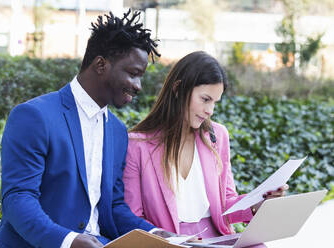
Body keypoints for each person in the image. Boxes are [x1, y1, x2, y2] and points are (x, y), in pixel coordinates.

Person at [0, 9, 171, 248]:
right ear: (100, 64)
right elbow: (18, 199)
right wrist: (68, 241)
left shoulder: (117, 132)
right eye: (133, 74)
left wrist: (155, 234)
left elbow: (114, 207)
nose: (138, 86)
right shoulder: (34, 116)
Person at [123, 51, 288, 247]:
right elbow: (133, 219)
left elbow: (225, 203)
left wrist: (256, 205)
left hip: (217, 239)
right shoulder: (137, 146)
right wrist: (172, 239)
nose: (210, 111)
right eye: (205, 99)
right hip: (170, 242)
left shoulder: (217, 136)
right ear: (178, 89)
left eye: (215, 102)